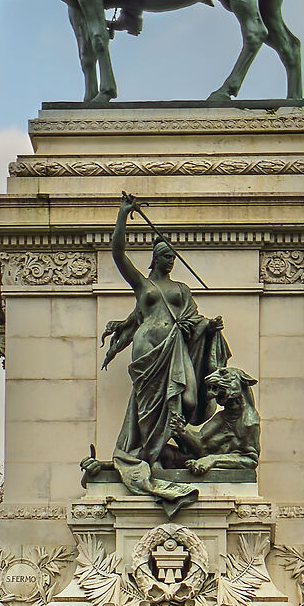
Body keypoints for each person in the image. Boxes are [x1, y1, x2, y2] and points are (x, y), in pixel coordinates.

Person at [101, 193, 230, 505]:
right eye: (165, 255)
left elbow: (193, 320)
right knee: (148, 406)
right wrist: (122, 216)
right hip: (147, 348)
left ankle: (169, 449)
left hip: (174, 349)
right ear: (155, 257)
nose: (171, 259)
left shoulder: (182, 291)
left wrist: (207, 327)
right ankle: (152, 458)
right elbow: (118, 254)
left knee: (185, 396)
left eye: (173, 256)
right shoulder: (143, 286)